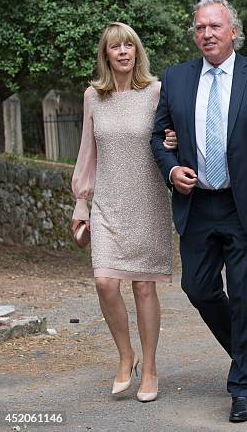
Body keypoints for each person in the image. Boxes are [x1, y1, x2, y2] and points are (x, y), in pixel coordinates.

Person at [150, 0, 247, 422]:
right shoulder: (176, 78)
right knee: (197, 287)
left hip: (244, 205)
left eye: (214, 26)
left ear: (233, 31)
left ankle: (243, 386)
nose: (207, 34)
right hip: (196, 204)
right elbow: (158, 137)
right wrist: (172, 168)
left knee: (246, 295)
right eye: (200, 28)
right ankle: (244, 351)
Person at [71, 22, 177, 403]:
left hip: (147, 200)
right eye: (115, 47)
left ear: (137, 52)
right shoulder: (92, 97)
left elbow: (170, 137)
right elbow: (87, 152)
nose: (123, 52)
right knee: (104, 282)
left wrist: (172, 140)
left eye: (129, 45)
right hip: (107, 203)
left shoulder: (155, 92)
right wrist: (81, 200)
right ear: (106, 55)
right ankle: (125, 354)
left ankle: (149, 367)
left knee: (144, 286)